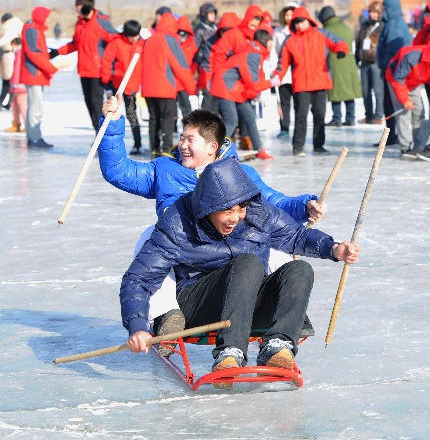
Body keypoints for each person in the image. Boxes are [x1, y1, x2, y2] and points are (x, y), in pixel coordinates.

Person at [122, 156, 360, 388]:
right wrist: (138, 325)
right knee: (248, 263)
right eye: (226, 211)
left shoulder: (257, 211)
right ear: (207, 208)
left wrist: (334, 248)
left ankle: (278, 346)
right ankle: (229, 352)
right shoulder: (178, 222)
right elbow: (139, 278)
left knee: (299, 269)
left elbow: (295, 236)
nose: (235, 218)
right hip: (200, 306)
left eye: (240, 209)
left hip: (246, 301)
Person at [98, 103, 326, 344]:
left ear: (212, 147)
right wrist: (112, 123)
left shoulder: (236, 174)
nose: (182, 146)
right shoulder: (165, 170)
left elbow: (272, 204)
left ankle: (282, 313)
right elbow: (118, 171)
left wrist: (304, 206)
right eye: (182, 138)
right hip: (188, 253)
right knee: (150, 239)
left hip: (237, 251)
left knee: (273, 245)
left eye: (190, 140)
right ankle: (166, 315)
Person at [273, 6, 348, 156]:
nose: (299, 25)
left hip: (320, 82)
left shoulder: (321, 34)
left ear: (309, 21)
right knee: (301, 117)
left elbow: (337, 41)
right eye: (296, 22)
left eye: (301, 21)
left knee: (320, 115)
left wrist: (341, 49)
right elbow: (283, 63)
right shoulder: (290, 40)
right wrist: (277, 78)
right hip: (301, 84)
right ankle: (298, 146)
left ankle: (318, 145)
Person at [53, 0, 118, 133]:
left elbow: (115, 40)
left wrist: (108, 62)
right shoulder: (79, 24)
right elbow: (75, 44)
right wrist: (58, 51)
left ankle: (103, 132)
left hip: (98, 70)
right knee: (89, 103)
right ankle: (97, 131)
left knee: (96, 103)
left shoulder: (101, 21)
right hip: (84, 70)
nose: (77, 11)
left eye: (79, 8)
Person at [210, 29, 279, 160]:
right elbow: (253, 82)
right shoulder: (253, 55)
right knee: (231, 120)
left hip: (236, 89)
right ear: (266, 41)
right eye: (271, 41)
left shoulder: (254, 52)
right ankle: (215, 149)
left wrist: (255, 91)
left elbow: (248, 80)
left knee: (249, 118)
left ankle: (259, 149)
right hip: (225, 87)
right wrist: (271, 82)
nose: (272, 44)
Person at [141, 11, 196, 158]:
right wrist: (191, 87)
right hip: (164, 87)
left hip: (148, 87)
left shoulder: (149, 39)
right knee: (167, 119)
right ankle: (166, 149)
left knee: (153, 119)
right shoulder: (169, 40)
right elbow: (180, 65)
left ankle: (154, 148)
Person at [385, 42, 430, 155]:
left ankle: (418, 144)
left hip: (414, 83)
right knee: (404, 112)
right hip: (397, 81)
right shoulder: (411, 58)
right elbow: (398, 79)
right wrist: (405, 100)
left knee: (419, 111)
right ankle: (405, 146)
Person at [100, 19, 144, 156]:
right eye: (132, 37)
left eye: (136, 36)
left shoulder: (142, 44)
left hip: (132, 85)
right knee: (111, 113)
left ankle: (138, 144)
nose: (134, 39)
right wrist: (107, 82)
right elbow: (106, 62)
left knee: (132, 114)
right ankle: (108, 144)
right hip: (117, 84)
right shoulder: (116, 43)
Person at [376, 0, 413, 146]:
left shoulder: (394, 25)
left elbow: (393, 51)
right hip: (394, 69)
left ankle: (395, 137)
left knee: (393, 105)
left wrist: (385, 65)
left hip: (394, 71)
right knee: (390, 104)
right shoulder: (393, 22)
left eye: (384, 8)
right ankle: (392, 135)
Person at [318, 6, 362, 127]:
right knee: (348, 92)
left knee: (336, 92)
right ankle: (350, 117)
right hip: (349, 65)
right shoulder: (346, 28)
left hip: (334, 64)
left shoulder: (327, 30)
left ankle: (336, 118)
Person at [20, 6, 58, 149]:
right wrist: (51, 67)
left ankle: (33, 137)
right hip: (33, 73)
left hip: (36, 73)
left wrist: (48, 58)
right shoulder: (32, 29)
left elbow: (39, 52)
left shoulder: (35, 29)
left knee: (35, 106)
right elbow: (34, 53)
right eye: (46, 16)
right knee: (36, 108)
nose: (48, 19)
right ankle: (34, 138)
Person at [196, 12, 241, 114]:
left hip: (233, 80)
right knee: (210, 107)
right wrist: (208, 81)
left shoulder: (238, 41)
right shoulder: (212, 42)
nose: (226, 34)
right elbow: (207, 63)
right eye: (223, 31)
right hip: (215, 78)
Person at [355, 1, 384, 125]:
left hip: (376, 63)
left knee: (378, 91)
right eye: (371, 12)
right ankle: (368, 115)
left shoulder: (382, 26)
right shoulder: (364, 26)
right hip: (365, 62)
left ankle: (378, 115)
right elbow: (358, 43)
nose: (372, 15)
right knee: (365, 91)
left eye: (375, 13)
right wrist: (357, 57)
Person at [272, 2, 298, 139]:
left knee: (299, 103)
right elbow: (274, 52)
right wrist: (273, 68)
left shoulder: (299, 32)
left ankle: (299, 128)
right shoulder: (278, 32)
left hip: (298, 73)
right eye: (286, 14)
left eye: (291, 14)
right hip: (283, 73)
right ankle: (284, 127)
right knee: (284, 102)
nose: (289, 17)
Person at [176, 15, 198, 127]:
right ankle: (172, 128)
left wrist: (190, 74)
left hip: (184, 79)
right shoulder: (173, 41)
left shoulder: (192, 43)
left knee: (185, 105)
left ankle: (189, 126)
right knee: (170, 108)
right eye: (180, 32)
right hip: (173, 79)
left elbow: (195, 60)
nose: (182, 34)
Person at [0, 13, 23, 110]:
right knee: (10, 81)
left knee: (8, 81)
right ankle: (7, 102)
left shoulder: (9, 28)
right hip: (11, 55)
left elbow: (3, 41)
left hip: (8, 56)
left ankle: (5, 102)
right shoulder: (16, 26)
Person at [5, 38, 26, 133]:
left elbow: (17, 68)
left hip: (20, 84)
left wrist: (15, 82)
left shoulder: (20, 52)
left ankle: (27, 125)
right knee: (14, 105)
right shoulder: (19, 52)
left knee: (22, 105)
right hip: (16, 84)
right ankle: (16, 123)